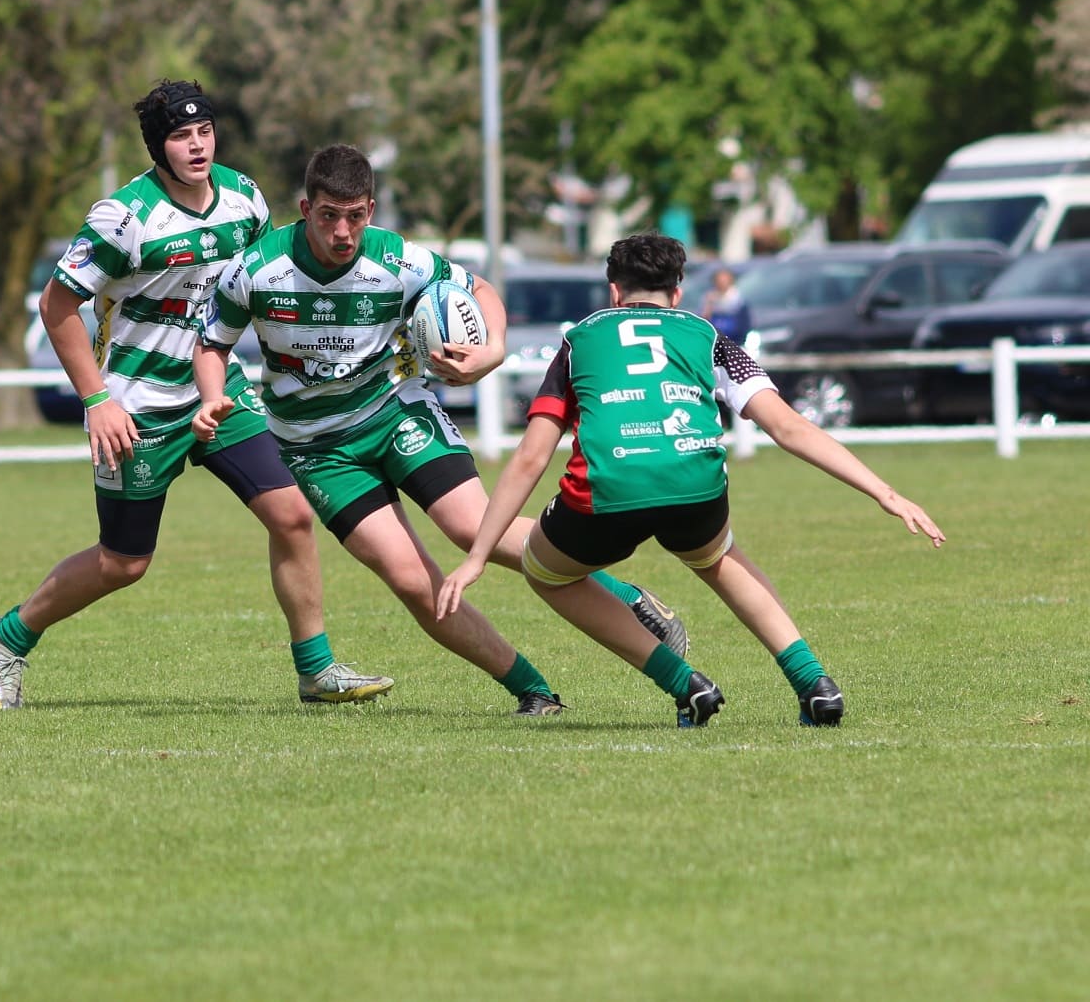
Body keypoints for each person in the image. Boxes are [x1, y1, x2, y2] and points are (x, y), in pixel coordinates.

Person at [194, 144, 690, 715]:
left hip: (395, 411)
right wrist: (211, 397)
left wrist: (492, 351)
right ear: (305, 208)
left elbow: (480, 291)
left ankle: (629, 600)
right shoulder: (256, 270)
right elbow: (213, 343)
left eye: (356, 216)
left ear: (372, 210)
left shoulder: (398, 259)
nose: (342, 231)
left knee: (473, 527)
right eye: (329, 215)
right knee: (410, 581)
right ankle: (533, 690)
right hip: (316, 447)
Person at [0, 80, 391, 709]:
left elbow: (259, 288)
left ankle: (316, 669)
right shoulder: (122, 218)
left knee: (293, 515)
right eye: (179, 136)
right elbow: (56, 307)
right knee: (124, 562)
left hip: (220, 396)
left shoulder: (244, 198)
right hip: (137, 409)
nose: (196, 146)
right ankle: (5, 638)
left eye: (204, 132)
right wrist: (96, 402)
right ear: (156, 146)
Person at [440, 233, 945, 726]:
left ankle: (686, 684)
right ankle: (815, 684)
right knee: (717, 557)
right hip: (697, 487)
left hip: (608, 491)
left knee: (545, 571)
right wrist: (885, 492)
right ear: (677, 291)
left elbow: (531, 457)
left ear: (613, 291)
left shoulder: (581, 340)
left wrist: (478, 556)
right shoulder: (708, 338)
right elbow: (789, 427)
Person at [700, 266, 751, 342]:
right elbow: (704, 321)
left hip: (734, 341)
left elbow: (744, 325)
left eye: (724, 280)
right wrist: (709, 305)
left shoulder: (738, 300)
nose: (721, 283)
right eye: (719, 280)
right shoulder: (709, 298)